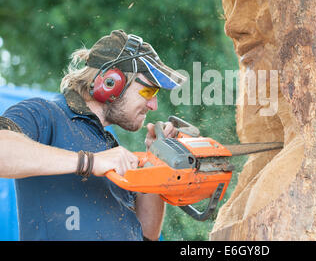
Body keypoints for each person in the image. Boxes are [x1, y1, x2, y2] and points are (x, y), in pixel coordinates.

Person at [0, 29, 186, 240]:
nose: (153, 104)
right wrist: (89, 162)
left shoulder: (109, 148)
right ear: (111, 82)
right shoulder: (45, 115)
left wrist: (156, 159)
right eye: (149, 91)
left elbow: (146, 234)